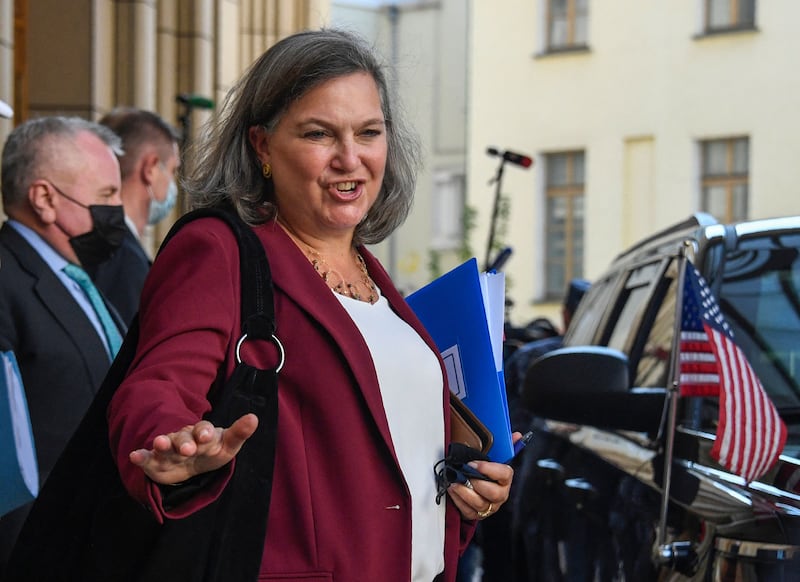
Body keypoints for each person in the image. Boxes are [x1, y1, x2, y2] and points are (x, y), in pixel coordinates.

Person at [104, 28, 518, 581]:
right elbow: (157, 385)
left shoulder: (373, 274)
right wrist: (171, 445)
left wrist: (474, 488)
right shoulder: (220, 251)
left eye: (368, 132)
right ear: (261, 145)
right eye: (319, 133)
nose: (350, 159)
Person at [0, 116, 126, 569]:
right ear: (45, 199)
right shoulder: (7, 283)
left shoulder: (78, 276)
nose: (118, 215)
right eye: (107, 197)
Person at [88, 107, 181, 325]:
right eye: (173, 170)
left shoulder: (91, 241)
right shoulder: (123, 259)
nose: (172, 183)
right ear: (150, 168)